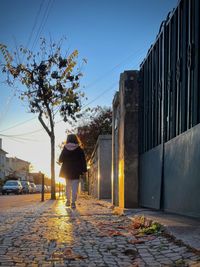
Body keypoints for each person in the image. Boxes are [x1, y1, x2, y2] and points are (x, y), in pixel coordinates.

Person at [59, 134, 87, 209]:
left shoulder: (65, 149)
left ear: (68, 139)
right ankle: (73, 203)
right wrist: (84, 170)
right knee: (75, 187)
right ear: (76, 139)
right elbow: (83, 161)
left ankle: (68, 201)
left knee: (67, 186)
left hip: (66, 171)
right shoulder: (79, 149)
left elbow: (60, 160)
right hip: (76, 171)